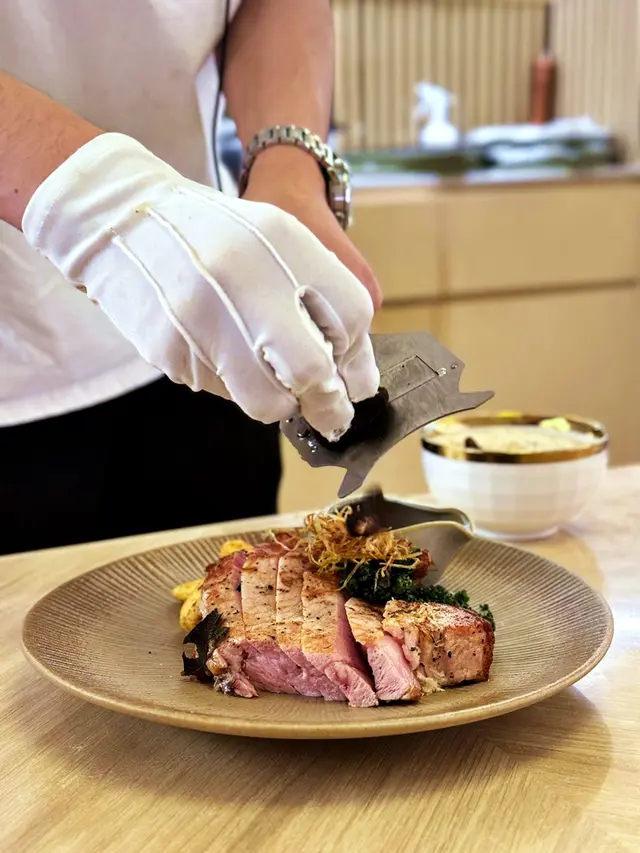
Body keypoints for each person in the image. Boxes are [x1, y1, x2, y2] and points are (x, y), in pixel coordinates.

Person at [0, 1, 383, 555]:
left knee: (243, 596)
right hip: (14, 377)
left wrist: (289, 169)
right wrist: (100, 199)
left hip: (209, 330)